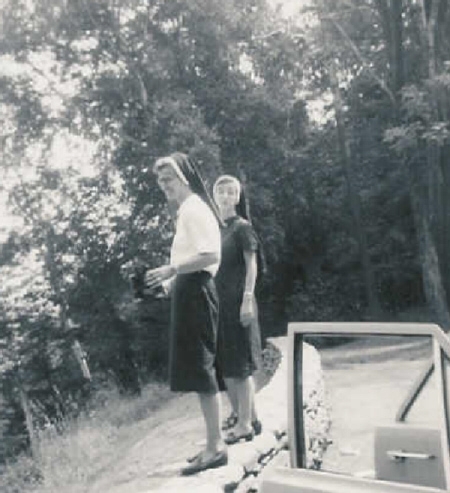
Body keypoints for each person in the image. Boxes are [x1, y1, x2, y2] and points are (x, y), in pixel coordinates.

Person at [145, 152, 227, 475]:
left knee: (202, 368)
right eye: (160, 180)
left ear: (185, 177)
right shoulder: (185, 212)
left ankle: (216, 446)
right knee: (197, 368)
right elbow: (190, 258)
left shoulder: (194, 209)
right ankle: (211, 443)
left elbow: (210, 255)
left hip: (197, 292)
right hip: (187, 291)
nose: (164, 185)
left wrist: (172, 269)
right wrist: (166, 285)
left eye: (169, 179)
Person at [213, 174, 263, 445]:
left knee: (240, 366)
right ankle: (251, 418)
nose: (225, 196)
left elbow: (252, 264)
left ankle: (244, 424)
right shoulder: (214, 229)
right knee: (227, 366)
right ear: (214, 196)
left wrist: (247, 298)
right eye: (221, 191)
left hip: (239, 302)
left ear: (237, 197)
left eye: (231, 192)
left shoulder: (242, 228)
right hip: (218, 306)